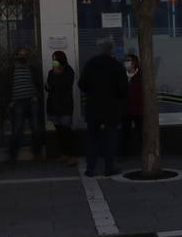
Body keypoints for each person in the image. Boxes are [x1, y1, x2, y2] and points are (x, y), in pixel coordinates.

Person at [78, 38, 127, 177]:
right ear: (111, 50)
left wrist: (92, 93)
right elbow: (123, 88)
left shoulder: (91, 64)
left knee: (92, 137)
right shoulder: (117, 66)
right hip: (111, 108)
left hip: (93, 107)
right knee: (111, 137)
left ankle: (90, 168)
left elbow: (82, 84)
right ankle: (109, 167)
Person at [2, 47, 44, 162]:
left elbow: (39, 84)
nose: (22, 56)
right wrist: (9, 102)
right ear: (16, 56)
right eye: (20, 54)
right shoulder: (11, 70)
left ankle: (37, 153)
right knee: (17, 128)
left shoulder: (33, 69)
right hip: (18, 103)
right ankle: (12, 154)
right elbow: (5, 87)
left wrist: (37, 97)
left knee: (36, 128)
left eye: (24, 54)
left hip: (32, 101)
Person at [46, 51, 77, 165]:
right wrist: (49, 84)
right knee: (59, 132)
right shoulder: (51, 72)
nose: (54, 62)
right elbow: (49, 87)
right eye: (53, 59)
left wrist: (56, 76)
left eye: (56, 59)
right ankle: (64, 154)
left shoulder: (69, 72)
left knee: (66, 131)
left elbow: (65, 86)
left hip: (65, 106)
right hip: (53, 106)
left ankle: (72, 155)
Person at [122, 53, 142, 156]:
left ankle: (142, 152)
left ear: (134, 62)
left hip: (138, 109)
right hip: (126, 109)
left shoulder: (140, 76)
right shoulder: (122, 76)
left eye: (129, 60)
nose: (127, 62)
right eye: (126, 60)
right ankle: (124, 153)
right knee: (125, 132)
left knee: (141, 132)